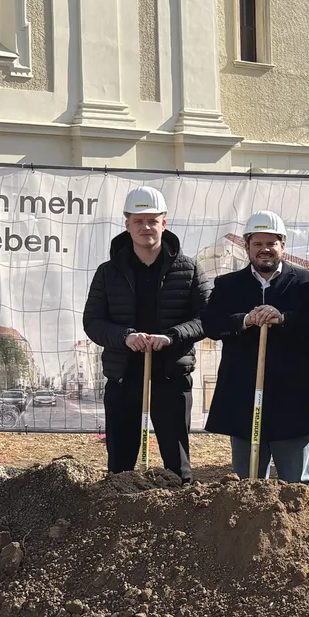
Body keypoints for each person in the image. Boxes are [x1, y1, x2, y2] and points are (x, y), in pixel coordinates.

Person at [83, 186, 211, 483]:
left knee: (177, 460)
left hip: (171, 374)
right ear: (127, 225)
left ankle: (179, 511)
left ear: (164, 223)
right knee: (121, 462)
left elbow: (206, 318)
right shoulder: (107, 272)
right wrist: (125, 336)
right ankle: (118, 512)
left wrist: (173, 336)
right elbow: (93, 322)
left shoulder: (189, 268)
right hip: (124, 374)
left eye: (152, 220)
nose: (146, 227)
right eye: (138, 221)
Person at [202, 210, 309, 484]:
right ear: (247, 246)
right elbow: (212, 324)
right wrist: (245, 320)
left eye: (271, 243)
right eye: (258, 243)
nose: (265, 250)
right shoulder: (227, 285)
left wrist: (284, 318)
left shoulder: (306, 282)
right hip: (243, 396)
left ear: (282, 245)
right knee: (246, 484)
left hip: (293, 397)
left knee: (294, 484)